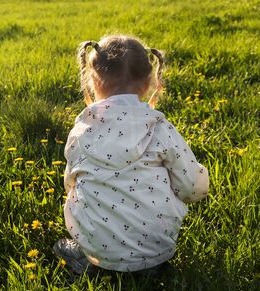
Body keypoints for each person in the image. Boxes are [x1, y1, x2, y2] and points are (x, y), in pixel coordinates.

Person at [53, 35, 209, 275]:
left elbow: (69, 185)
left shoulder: (80, 131)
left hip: (98, 249)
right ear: (147, 83)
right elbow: (193, 188)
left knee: (78, 191)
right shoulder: (159, 128)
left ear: (93, 81)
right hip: (156, 250)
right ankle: (148, 265)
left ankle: (93, 259)